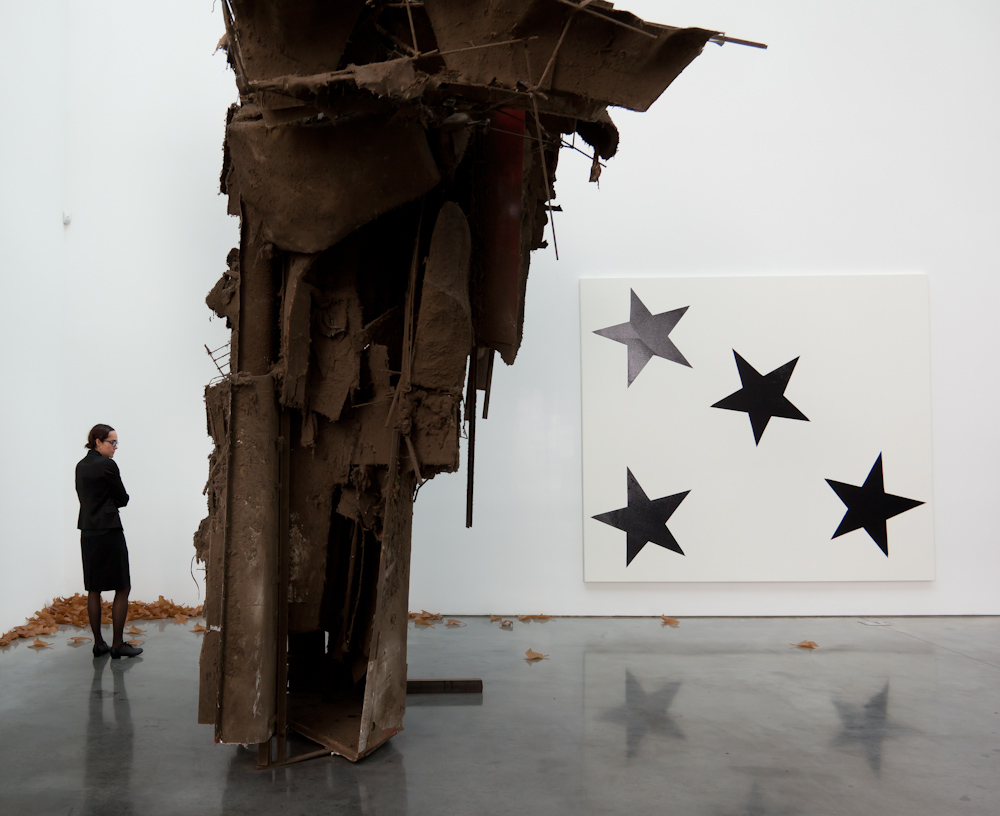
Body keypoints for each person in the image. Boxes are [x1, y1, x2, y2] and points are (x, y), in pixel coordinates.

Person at [76, 424, 142, 659]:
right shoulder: (107, 465)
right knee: (122, 586)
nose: (115, 447)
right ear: (98, 442)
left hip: (87, 531)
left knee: (94, 588)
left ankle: (98, 644)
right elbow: (122, 498)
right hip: (109, 531)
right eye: (112, 442)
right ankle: (117, 645)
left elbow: (84, 497)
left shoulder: (81, 465)